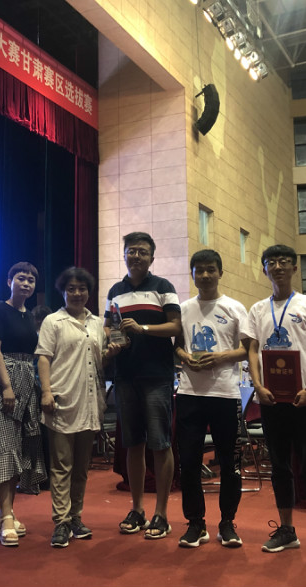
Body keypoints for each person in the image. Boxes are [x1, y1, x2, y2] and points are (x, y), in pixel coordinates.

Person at [242, 244, 306, 561]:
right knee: (279, 467)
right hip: (271, 400)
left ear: (294, 268)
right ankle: (286, 530)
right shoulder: (257, 309)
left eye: (284, 262)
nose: (278, 267)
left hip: (305, 399)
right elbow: (252, 350)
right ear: (264, 269)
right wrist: (257, 386)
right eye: (272, 262)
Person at [104, 231, 182, 540]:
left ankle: (161, 513)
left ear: (151, 258)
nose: (136, 256)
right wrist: (112, 342)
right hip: (125, 376)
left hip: (157, 377)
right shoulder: (115, 291)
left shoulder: (163, 287)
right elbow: (108, 327)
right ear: (124, 254)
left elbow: (175, 326)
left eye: (142, 252)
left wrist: (143, 328)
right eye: (131, 251)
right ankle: (137, 509)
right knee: (132, 443)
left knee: (160, 443)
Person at [38, 267, 121, 548]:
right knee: (62, 465)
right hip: (61, 400)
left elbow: (98, 361)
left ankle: (76, 517)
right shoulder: (53, 321)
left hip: (90, 401)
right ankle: (61, 522)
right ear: (63, 292)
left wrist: (110, 354)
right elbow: (44, 358)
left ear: (89, 292)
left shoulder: (97, 323)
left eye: (82, 288)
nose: (76, 293)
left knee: (82, 467)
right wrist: (46, 392)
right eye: (71, 289)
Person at [174, 249, 248, 549]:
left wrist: (219, 357)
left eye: (210, 269)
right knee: (189, 462)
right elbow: (176, 346)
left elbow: (247, 349)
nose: (205, 275)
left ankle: (227, 522)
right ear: (192, 274)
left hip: (225, 394)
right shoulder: (183, 309)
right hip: (189, 394)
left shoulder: (234, 307)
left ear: (220, 272)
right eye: (199, 270)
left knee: (229, 463)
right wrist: (185, 358)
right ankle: (195, 523)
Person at [0, 262, 47, 547]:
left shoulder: (30, 315)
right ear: (9, 281)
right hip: (7, 383)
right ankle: (6, 516)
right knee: (4, 448)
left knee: (19, 450)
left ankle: (6, 513)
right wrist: (6, 387)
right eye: (21, 278)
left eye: (31, 280)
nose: (26, 283)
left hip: (28, 383)